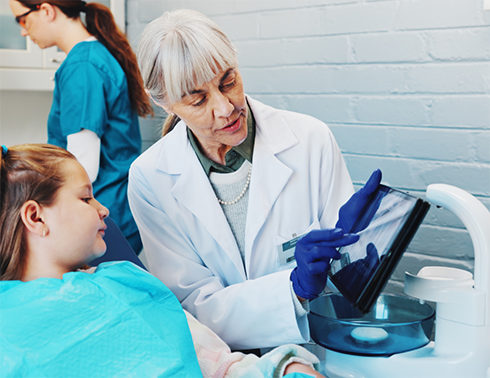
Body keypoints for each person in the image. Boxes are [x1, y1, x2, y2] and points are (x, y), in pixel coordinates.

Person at [129, 9, 382, 352]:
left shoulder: (310, 140)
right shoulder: (150, 177)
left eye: (228, 81)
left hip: (315, 356)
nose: (225, 108)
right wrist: (292, 288)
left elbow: (344, 287)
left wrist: (363, 253)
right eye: (198, 100)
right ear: (165, 103)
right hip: (225, 366)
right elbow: (190, 305)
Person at [0, 143, 325, 378]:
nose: (103, 210)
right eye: (85, 198)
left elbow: (220, 365)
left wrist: (280, 369)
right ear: (35, 217)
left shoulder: (127, 284)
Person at [9, 0, 153, 254]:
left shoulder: (82, 66)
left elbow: (82, 165)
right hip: (114, 210)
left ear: (46, 11)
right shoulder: (91, 57)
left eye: (22, 19)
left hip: (103, 218)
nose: (23, 30)